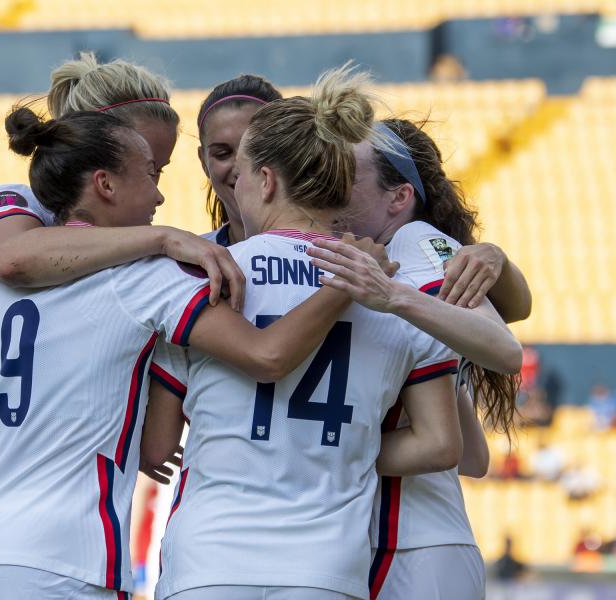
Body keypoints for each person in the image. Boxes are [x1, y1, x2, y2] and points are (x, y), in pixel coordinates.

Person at [0, 99, 392, 599]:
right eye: (151, 174)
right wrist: (345, 285)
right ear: (106, 185)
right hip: (64, 558)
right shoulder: (143, 277)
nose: (160, 196)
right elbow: (267, 354)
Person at [0, 53, 246, 599]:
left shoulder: (114, 253)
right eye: (148, 167)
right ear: (100, 158)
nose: (158, 189)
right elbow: (13, 260)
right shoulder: (14, 206)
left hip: (13, 524)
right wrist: (163, 238)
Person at [148, 66, 462, 600]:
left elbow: (157, 445)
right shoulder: (395, 290)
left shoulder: (202, 275)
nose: (234, 186)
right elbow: (440, 441)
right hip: (327, 569)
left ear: (266, 180)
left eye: (242, 173)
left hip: (209, 560)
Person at [316, 118, 529, 599]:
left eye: (347, 174)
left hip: (408, 550)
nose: (329, 185)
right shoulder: (379, 258)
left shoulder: (415, 244)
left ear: (399, 198)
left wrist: (311, 451)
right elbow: (471, 458)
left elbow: (505, 350)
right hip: (411, 543)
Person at [195, 74, 283, 245]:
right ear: (203, 162)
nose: (239, 169)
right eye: (222, 154)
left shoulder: (336, 259)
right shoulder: (187, 265)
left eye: (255, 150)